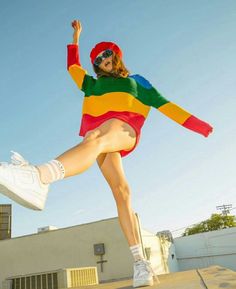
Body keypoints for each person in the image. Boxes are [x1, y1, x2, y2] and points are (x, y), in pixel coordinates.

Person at [0, 20, 213, 288]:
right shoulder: (91, 84)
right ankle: (140, 264)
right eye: (97, 59)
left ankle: (39, 176)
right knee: (121, 192)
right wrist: (75, 39)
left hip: (124, 129)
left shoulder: (137, 81)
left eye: (106, 54)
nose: (102, 60)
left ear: (116, 54)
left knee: (97, 135)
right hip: (97, 142)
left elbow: (164, 104)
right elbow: (72, 68)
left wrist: (198, 125)